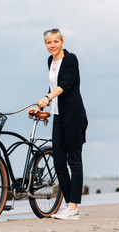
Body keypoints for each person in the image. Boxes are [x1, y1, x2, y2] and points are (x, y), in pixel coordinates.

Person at [29, 28, 88, 219]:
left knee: (74, 160)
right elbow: (52, 87)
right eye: (48, 43)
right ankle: (68, 205)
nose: (52, 45)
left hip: (73, 114)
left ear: (62, 42)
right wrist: (40, 106)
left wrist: (47, 96)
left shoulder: (71, 59)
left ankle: (73, 207)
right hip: (58, 115)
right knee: (58, 161)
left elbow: (65, 84)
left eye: (55, 41)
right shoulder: (50, 61)